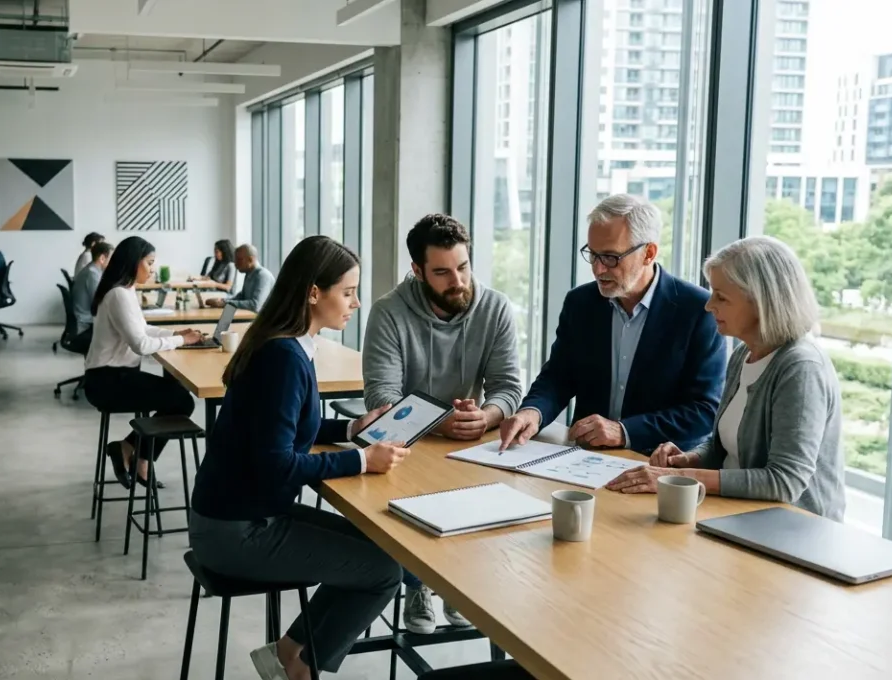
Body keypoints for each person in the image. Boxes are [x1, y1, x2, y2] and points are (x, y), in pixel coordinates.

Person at [189, 235, 407, 680]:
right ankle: (301, 667)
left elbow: (284, 432)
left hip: (238, 516)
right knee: (385, 571)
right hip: (238, 532)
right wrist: (363, 462)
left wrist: (350, 430)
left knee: (377, 547)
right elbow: (278, 463)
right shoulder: (284, 356)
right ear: (313, 293)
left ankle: (286, 652)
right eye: (347, 292)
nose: (357, 303)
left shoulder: (283, 343)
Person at [361, 213, 523, 634]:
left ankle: (457, 583)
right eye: (442, 273)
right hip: (408, 445)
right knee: (407, 492)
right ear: (417, 271)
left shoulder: (496, 308)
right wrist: (440, 422)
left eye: (464, 267)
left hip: (468, 447)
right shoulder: (388, 313)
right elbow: (381, 397)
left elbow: (508, 387)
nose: (458, 281)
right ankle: (419, 583)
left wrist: (486, 415)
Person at [608, 236, 846, 519]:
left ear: (761, 302)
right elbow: (725, 447)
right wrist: (690, 458)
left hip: (794, 531)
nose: (709, 306)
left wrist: (681, 476)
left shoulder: (801, 367)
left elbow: (785, 482)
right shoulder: (744, 353)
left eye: (721, 297)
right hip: (739, 516)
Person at [499, 193, 727, 454]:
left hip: (657, 462)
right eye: (592, 255)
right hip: (584, 458)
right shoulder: (580, 303)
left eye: (610, 257)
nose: (597, 269)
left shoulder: (699, 310)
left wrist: (624, 431)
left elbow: (704, 411)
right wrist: (533, 412)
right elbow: (559, 376)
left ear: (648, 253)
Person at [83, 236, 203, 489]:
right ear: (133, 262)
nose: (152, 269)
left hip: (115, 376)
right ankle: (131, 452)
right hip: (108, 382)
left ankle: (137, 456)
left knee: (178, 399)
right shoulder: (118, 294)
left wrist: (178, 335)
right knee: (181, 401)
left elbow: (143, 328)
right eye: (149, 263)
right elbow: (141, 344)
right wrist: (181, 340)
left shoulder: (124, 290)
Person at [204, 244, 275, 311]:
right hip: (250, 315)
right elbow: (242, 296)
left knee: (223, 318)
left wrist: (224, 303)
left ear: (250, 260)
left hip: (260, 320)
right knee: (223, 317)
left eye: (239, 260)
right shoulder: (249, 273)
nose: (235, 264)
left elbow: (255, 305)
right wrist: (222, 300)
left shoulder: (263, 275)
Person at [71, 241, 113, 348]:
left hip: (86, 319)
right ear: (102, 258)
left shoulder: (93, 270)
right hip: (86, 323)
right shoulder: (92, 273)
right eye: (112, 259)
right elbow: (100, 302)